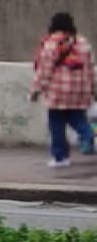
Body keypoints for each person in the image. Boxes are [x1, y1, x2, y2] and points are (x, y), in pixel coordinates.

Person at [30, 12, 97, 166]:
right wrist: (92, 89)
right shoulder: (82, 42)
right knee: (78, 119)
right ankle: (89, 135)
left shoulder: (52, 43)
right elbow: (90, 69)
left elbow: (44, 70)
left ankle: (60, 157)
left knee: (56, 124)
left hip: (57, 93)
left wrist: (35, 90)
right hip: (79, 91)